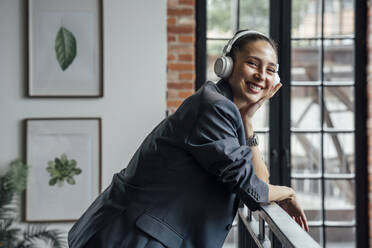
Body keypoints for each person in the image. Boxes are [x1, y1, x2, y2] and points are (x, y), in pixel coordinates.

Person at [68, 30, 308, 248]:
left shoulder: (225, 109)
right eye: (252, 64)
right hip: (130, 238)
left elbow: (259, 182)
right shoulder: (213, 108)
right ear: (227, 66)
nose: (261, 76)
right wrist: (289, 193)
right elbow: (253, 190)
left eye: (270, 70)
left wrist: (248, 122)